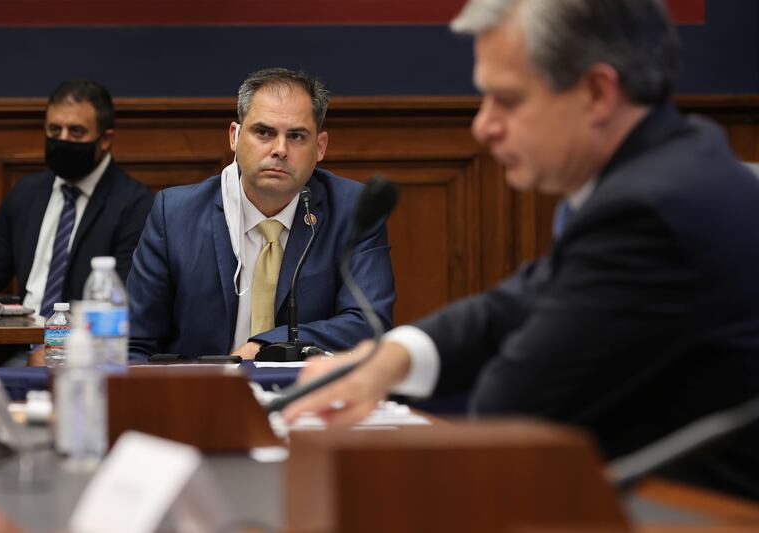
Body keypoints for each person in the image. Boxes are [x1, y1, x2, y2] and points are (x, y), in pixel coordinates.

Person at [283, 0, 759, 499]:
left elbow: (513, 405)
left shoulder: (652, 209)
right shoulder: (667, 167)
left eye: (505, 100)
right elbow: (520, 301)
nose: (482, 126)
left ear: (596, 93)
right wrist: (391, 360)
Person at [127, 68, 395, 361]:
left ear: (320, 147)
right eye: (264, 132)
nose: (279, 149)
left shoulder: (353, 210)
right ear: (235, 136)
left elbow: (369, 320)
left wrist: (267, 345)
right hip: (200, 395)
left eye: (296, 136)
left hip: (308, 395)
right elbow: (135, 343)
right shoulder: (176, 214)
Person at [0, 79, 153, 318]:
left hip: (87, 345)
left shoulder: (134, 205)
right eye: (54, 130)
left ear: (104, 140)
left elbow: (124, 298)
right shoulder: (28, 192)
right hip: (17, 340)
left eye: (76, 131)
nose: (63, 140)